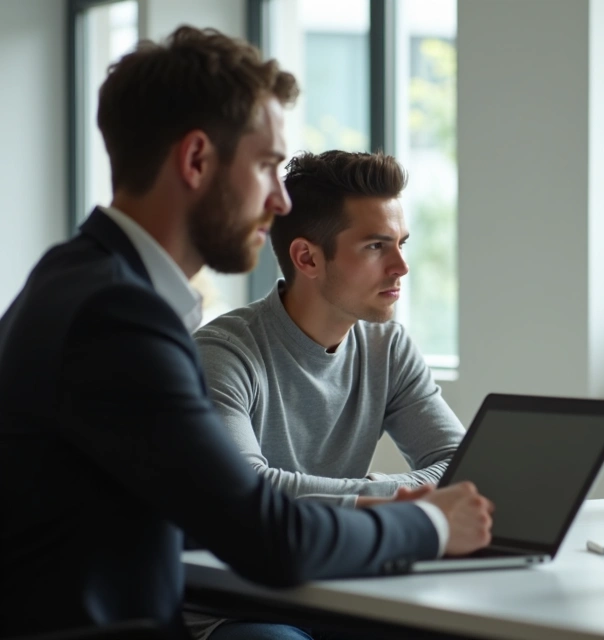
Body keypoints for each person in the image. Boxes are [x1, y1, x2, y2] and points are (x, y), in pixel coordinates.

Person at [0, 26, 492, 639]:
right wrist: (433, 523)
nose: (281, 201)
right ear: (197, 160)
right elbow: (265, 532)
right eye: (266, 167)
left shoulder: (85, 284)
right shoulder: (116, 315)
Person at [193, 150, 462, 510]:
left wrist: (368, 493)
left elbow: (461, 466)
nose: (401, 266)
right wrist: (379, 498)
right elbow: (244, 489)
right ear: (307, 258)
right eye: (376, 246)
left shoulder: (389, 350)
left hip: (345, 559)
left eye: (402, 244)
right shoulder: (222, 355)